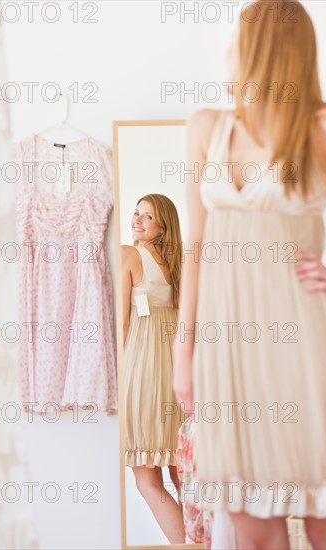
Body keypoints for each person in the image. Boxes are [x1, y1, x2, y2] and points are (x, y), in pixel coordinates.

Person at [172, 1, 326, 549]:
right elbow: (193, 246)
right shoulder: (206, 128)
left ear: (264, 47)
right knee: (252, 527)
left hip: (305, 338)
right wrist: (183, 350)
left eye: (238, 37)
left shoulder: (324, 128)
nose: (227, 50)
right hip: (228, 347)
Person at [122, 193, 186, 543]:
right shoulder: (178, 264)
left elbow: (122, 324)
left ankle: (187, 546)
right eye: (136, 213)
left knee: (147, 479)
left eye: (147, 216)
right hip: (175, 376)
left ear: (163, 226)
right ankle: (207, 541)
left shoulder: (129, 254)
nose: (137, 220)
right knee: (181, 473)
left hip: (143, 372)